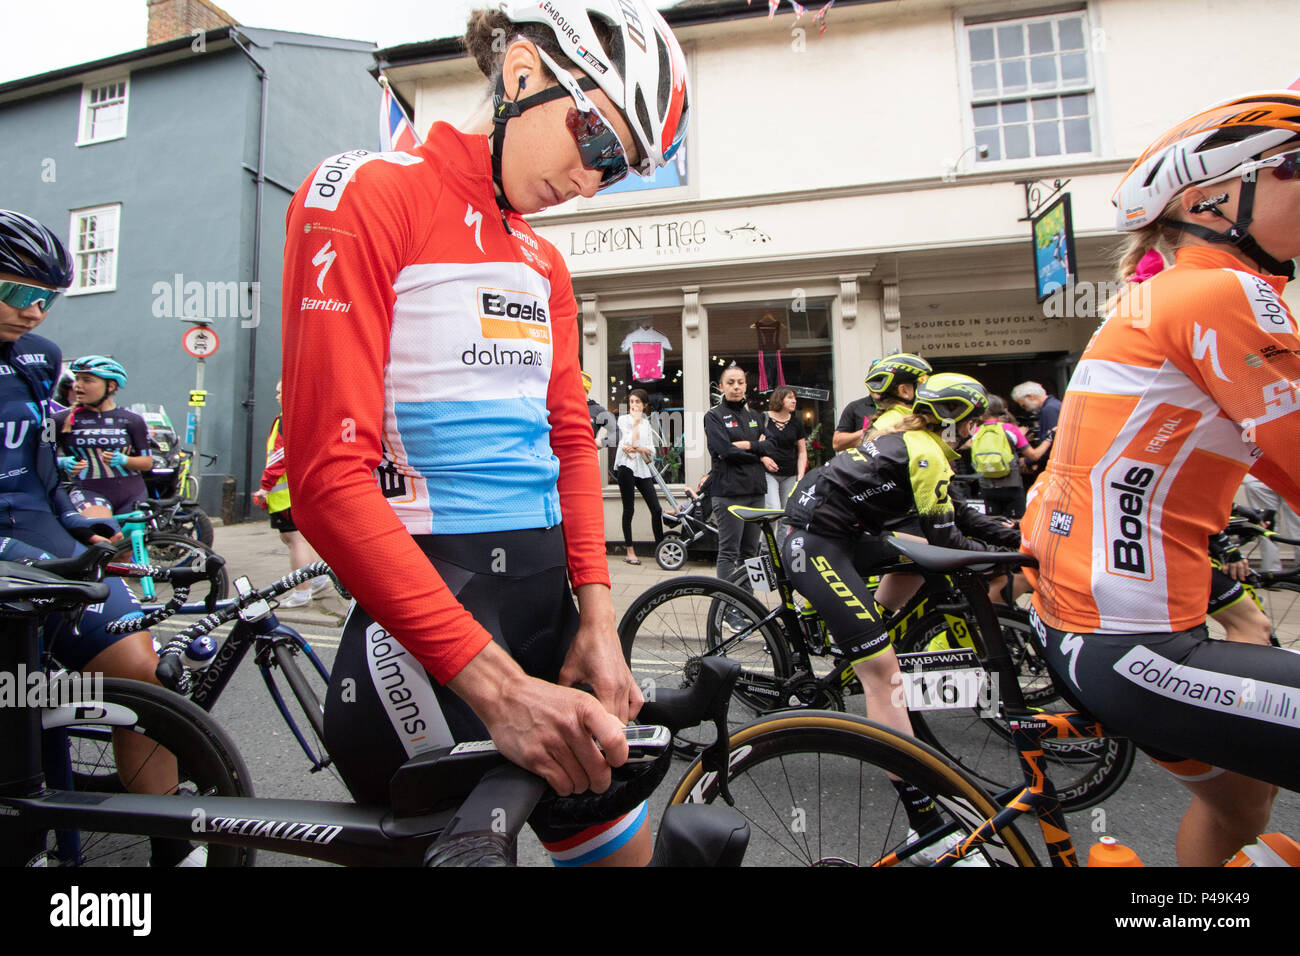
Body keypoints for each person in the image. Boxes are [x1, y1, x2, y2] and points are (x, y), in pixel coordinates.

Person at [280, 1, 689, 868]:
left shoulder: (543, 261)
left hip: (550, 621)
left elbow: (572, 443)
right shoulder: (367, 192)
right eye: (599, 144)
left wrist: (600, 617)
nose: (590, 183)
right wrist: (498, 690)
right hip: (431, 653)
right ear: (524, 74)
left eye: (619, 173)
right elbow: (324, 479)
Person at [1020, 89, 1300, 866]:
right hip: (1134, 647)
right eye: (1296, 167)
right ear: (1211, 198)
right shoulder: (1220, 291)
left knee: (1245, 804)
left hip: (1096, 630)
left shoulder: (1160, 294)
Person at [0, 209, 204, 866]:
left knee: (147, 677)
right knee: (14, 700)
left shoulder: (39, 359)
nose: (35, 314)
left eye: (47, 300)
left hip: (41, 543)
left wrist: (72, 516)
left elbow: (38, 462)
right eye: (21, 294)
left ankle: (174, 846)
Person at [782, 373, 1016, 862]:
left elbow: (954, 514)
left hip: (845, 533)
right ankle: (925, 828)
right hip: (815, 541)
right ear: (954, 420)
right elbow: (951, 538)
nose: (978, 431)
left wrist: (1013, 539)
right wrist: (1000, 557)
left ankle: (870, 628)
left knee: (917, 556)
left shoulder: (921, 443)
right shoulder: (924, 451)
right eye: (975, 422)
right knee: (885, 680)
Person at [252, 381, 331, 607]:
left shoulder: (287, 420)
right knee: (298, 539)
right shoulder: (299, 417)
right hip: (296, 491)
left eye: (279, 392)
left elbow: (280, 456)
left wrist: (265, 486)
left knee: (294, 540)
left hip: (285, 494)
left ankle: (301, 592)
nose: (275, 395)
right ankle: (317, 581)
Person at [54, 356, 153, 519]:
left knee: (132, 540)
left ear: (110, 386)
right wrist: (62, 462)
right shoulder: (55, 420)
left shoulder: (133, 420)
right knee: (104, 532)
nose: (78, 385)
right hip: (88, 491)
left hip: (133, 492)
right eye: (77, 379)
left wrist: (124, 460)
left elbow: (147, 463)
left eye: (87, 380)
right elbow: (38, 457)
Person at [704, 364, 775, 587]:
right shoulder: (713, 416)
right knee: (729, 552)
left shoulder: (754, 415)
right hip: (728, 493)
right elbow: (724, 451)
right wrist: (757, 451)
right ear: (722, 386)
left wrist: (745, 445)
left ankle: (749, 607)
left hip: (755, 491)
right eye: (731, 383)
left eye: (741, 382)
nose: (736, 387)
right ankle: (727, 607)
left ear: (746, 385)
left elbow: (771, 446)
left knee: (751, 552)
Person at [968, 394, 1048, 519]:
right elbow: (1034, 456)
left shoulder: (976, 431)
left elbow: (962, 446)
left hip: (987, 486)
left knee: (993, 526)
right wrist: (1049, 439)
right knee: (1016, 524)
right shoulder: (1011, 429)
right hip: (1012, 486)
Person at [613, 388, 663, 565]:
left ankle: (661, 549)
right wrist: (635, 424)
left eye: (637, 402)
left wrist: (637, 448)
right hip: (626, 467)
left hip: (642, 468)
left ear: (644, 405)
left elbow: (651, 450)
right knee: (629, 509)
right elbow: (629, 443)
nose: (633, 405)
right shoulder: (623, 420)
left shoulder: (647, 424)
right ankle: (630, 551)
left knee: (656, 509)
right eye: (631, 402)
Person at [761, 385, 807, 509]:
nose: (794, 401)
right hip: (769, 472)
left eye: (795, 398)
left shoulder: (796, 422)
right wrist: (763, 458)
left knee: (787, 512)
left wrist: (801, 475)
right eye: (790, 398)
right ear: (780, 399)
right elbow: (756, 445)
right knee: (773, 509)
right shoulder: (764, 419)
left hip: (790, 474)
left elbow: (802, 452)